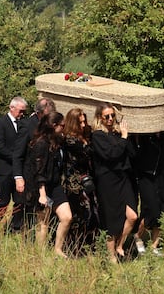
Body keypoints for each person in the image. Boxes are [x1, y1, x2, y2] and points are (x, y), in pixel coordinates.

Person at [91, 103, 137, 263]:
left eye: (112, 116)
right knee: (111, 219)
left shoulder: (118, 134)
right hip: (107, 181)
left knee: (132, 216)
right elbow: (112, 155)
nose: (111, 119)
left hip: (124, 179)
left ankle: (120, 245)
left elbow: (131, 153)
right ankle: (111, 256)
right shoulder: (97, 136)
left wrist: (126, 137)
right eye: (107, 116)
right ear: (100, 118)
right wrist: (123, 138)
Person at [24, 111, 72, 256]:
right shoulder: (41, 144)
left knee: (66, 217)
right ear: (53, 126)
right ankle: (40, 253)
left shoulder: (57, 141)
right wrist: (42, 194)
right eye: (62, 126)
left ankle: (58, 249)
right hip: (42, 188)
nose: (64, 128)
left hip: (55, 186)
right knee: (43, 221)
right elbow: (39, 171)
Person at [131, 128, 164, 257]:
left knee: (163, 211)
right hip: (146, 176)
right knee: (150, 210)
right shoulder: (143, 134)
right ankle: (137, 237)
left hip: (161, 176)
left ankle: (154, 246)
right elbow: (136, 155)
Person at [61, 107, 99, 253]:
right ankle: (75, 246)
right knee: (81, 215)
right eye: (80, 123)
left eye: (84, 122)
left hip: (88, 180)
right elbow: (86, 153)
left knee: (93, 213)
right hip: (75, 183)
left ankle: (89, 244)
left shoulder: (84, 137)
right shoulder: (69, 140)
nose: (83, 125)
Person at [0, 96, 29, 233]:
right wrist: (16, 157)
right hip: (4, 169)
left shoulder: (23, 124)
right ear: (11, 108)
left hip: (18, 170)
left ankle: (15, 227)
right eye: (20, 111)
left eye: (24, 112)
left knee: (20, 200)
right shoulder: (1, 123)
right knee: (3, 200)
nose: (22, 114)